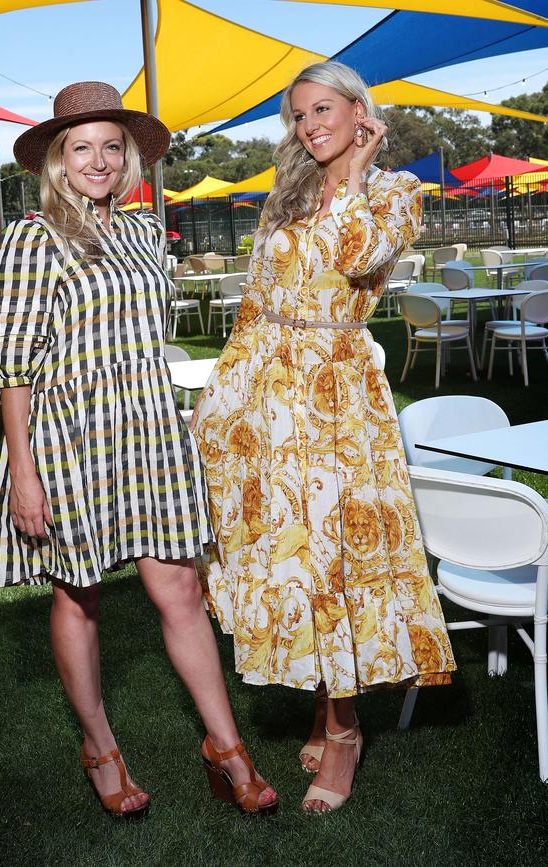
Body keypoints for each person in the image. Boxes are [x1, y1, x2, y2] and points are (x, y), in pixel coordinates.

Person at [0, 81, 277, 820]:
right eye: (81, 147)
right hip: (67, 436)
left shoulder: (146, 233)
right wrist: (24, 471)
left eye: (112, 146)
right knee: (78, 595)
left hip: (147, 426)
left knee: (180, 589)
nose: (99, 159)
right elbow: (13, 367)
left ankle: (225, 745)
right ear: (57, 159)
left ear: (130, 157)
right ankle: (99, 746)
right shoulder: (29, 238)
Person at [191, 60, 456, 814]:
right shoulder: (290, 190)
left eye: (324, 109)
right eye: (300, 115)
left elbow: (356, 258)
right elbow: (256, 303)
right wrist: (221, 394)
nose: (310, 126)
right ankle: (320, 706)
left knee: (335, 557)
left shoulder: (397, 193)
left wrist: (363, 169)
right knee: (292, 554)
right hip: (268, 399)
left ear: (358, 112)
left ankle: (344, 733)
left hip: (337, 406)